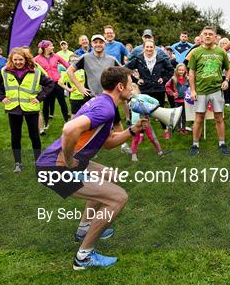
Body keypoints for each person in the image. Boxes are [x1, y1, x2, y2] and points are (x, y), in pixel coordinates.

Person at [36, 66, 147, 270]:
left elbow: (108, 142)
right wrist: (68, 160)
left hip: (57, 161)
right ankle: (84, 257)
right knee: (118, 197)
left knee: (110, 175)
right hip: (54, 168)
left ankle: (84, 229)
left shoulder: (103, 103)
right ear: (120, 86)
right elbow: (69, 128)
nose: (132, 90)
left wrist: (133, 130)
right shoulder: (105, 108)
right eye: (130, 86)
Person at [66, 35, 132, 155]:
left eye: (100, 42)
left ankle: (123, 145)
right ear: (92, 44)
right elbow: (69, 71)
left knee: (116, 121)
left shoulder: (111, 59)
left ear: (104, 44)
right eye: (95, 42)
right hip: (92, 96)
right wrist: (80, 87)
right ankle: (90, 148)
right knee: (90, 124)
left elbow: (123, 72)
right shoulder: (85, 57)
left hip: (110, 97)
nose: (98, 44)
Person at [0, 47, 54, 172]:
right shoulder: (4, 71)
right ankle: (18, 164)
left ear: (26, 59)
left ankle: (38, 162)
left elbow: (50, 84)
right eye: (15, 59)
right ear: (11, 59)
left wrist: (39, 98)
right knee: (15, 136)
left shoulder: (36, 70)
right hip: (13, 108)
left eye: (21, 59)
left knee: (34, 136)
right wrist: (1, 97)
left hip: (30, 108)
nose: (18, 62)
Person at [188, 26, 230, 156]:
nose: (207, 36)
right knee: (199, 118)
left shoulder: (221, 52)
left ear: (215, 37)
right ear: (201, 37)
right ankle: (195, 144)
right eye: (205, 34)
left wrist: (226, 80)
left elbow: (228, 68)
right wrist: (193, 90)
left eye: (210, 34)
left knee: (219, 117)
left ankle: (222, 143)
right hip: (200, 91)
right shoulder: (196, 52)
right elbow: (191, 72)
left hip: (216, 90)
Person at [125, 39, 174, 139]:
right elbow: (126, 68)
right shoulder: (138, 59)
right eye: (147, 47)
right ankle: (141, 133)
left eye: (151, 47)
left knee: (160, 110)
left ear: (154, 48)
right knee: (143, 112)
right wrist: (136, 79)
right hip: (145, 89)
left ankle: (165, 130)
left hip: (158, 88)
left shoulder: (160, 58)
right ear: (143, 48)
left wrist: (163, 78)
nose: (149, 49)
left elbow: (171, 70)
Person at [129, 84, 171, 161]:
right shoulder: (130, 101)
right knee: (135, 139)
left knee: (152, 138)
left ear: (136, 89)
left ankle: (160, 152)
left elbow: (156, 102)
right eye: (128, 90)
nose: (130, 92)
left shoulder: (143, 97)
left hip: (145, 122)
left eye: (131, 90)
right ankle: (134, 155)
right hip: (135, 124)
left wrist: (150, 110)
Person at [33, 40, 70, 128]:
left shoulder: (56, 56)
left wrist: (73, 71)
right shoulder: (37, 59)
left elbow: (67, 65)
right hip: (46, 84)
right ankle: (45, 123)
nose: (53, 47)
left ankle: (66, 120)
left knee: (62, 102)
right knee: (46, 104)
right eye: (51, 46)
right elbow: (29, 66)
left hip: (58, 83)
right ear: (45, 48)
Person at [165, 63, 189, 133]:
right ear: (177, 70)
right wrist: (172, 93)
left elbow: (191, 87)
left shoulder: (187, 79)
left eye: (182, 70)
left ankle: (184, 128)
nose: (181, 71)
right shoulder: (173, 79)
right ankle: (179, 129)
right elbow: (167, 86)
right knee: (178, 115)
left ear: (185, 71)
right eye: (179, 70)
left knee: (184, 115)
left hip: (185, 100)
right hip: (177, 100)